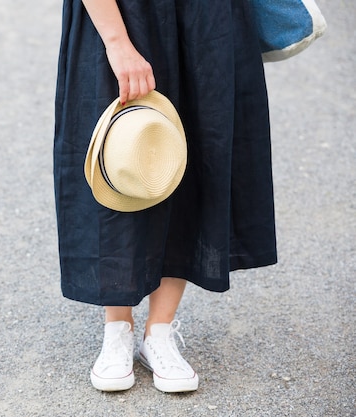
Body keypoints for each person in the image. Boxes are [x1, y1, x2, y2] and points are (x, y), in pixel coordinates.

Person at [53, 0, 277, 393]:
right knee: (119, 154)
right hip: (125, 12)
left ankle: (159, 332)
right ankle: (117, 327)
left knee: (192, 155)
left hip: (210, 16)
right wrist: (117, 42)